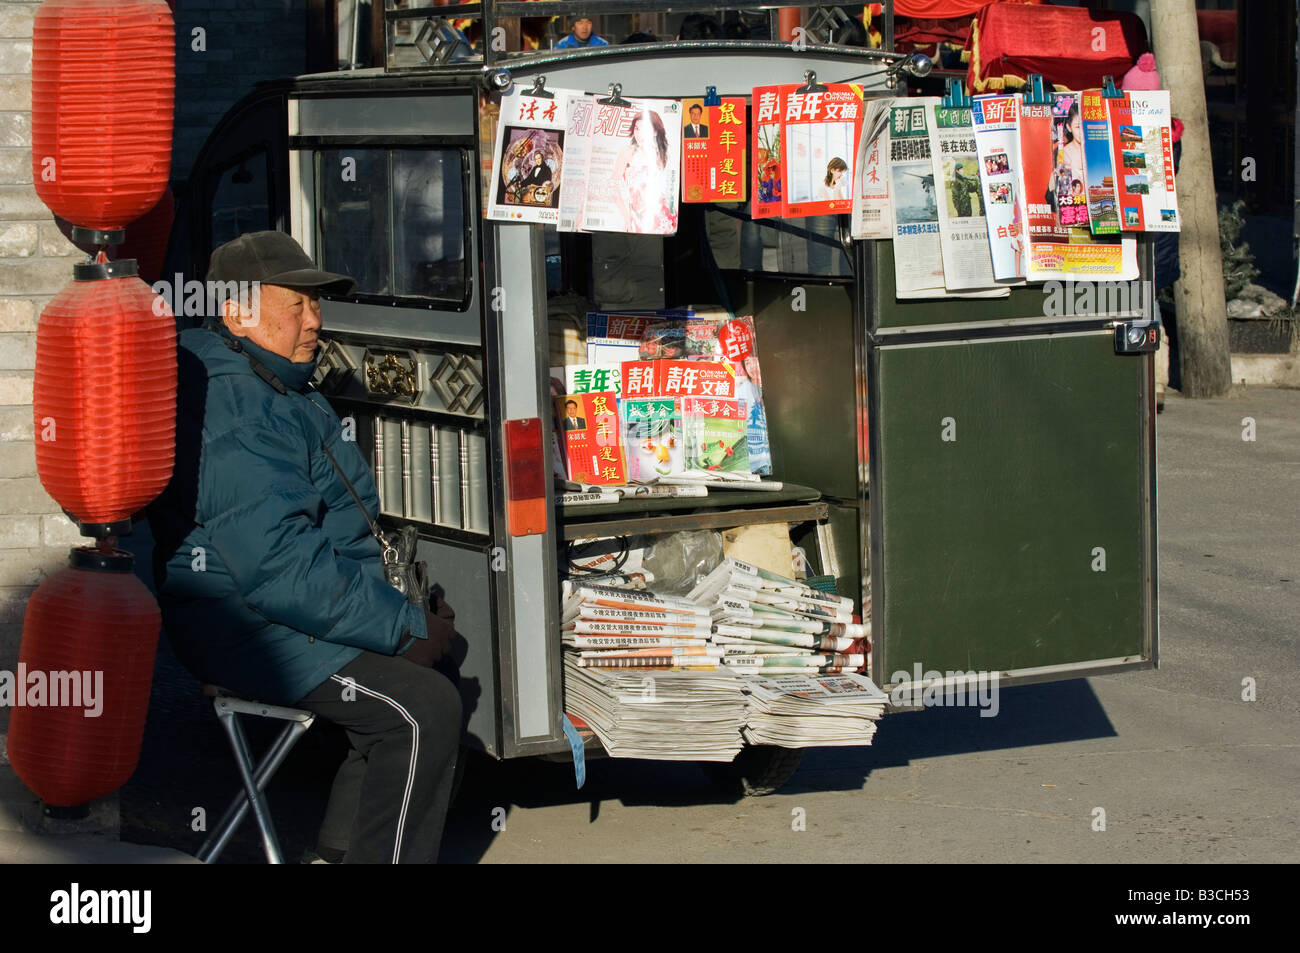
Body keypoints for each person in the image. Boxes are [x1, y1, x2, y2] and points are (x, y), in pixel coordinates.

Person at [148, 231, 462, 864]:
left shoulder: (276, 383)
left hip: (279, 610)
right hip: (246, 623)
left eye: (317, 305)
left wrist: (402, 608)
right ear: (237, 311)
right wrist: (401, 626)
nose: (315, 322)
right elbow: (278, 568)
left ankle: (341, 854)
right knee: (420, 710)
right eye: (297, 306)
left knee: (429, 677)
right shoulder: (234, 402)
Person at [613, 110, 677, 233]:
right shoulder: (628, 152)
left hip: (663, 214)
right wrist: (627, 218)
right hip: (637, 217)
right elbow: (613, 187)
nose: (639, 134)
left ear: (655, 132)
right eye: (637, 129)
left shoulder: (659, 154)